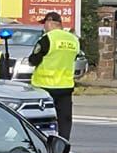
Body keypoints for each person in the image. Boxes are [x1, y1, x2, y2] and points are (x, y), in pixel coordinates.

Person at [26, 10, 81, 138]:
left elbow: (33, 60)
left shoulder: (47, 39)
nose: (43, 27)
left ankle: (41, 143)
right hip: (65, 87)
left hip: (44, 86)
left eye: (44, 23)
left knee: (40, 119)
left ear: (50, 23)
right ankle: (63, 144)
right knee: (64, 120)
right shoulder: (74, 40)